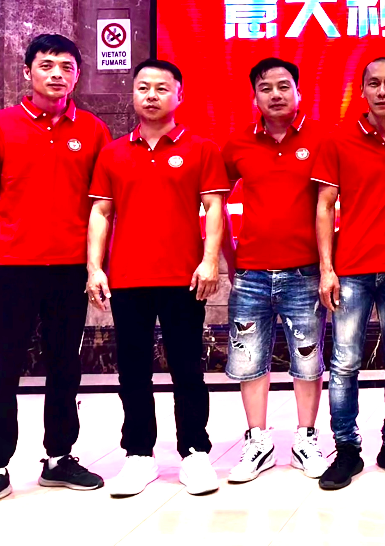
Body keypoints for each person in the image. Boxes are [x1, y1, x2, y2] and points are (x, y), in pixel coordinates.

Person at [0, 34, 110, 515]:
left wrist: (95, 266)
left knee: (65, 367)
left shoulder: (93, 130)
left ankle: (59, 458)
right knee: (3, 370)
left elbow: (101, 207)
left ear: (78, 74)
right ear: (27, 71)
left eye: (67, 66)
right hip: (12, 266)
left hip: (69, 269)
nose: (57, 74)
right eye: (47, 64)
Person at [87, 59, 230, 497]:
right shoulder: (113, 153)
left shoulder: (201, 148)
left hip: (183, 277)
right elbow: (101, 212)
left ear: (179, 95)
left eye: (162, 88)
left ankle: (195, 452)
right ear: (133, 94)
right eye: (143, 87)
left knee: (188, 368)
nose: (152, 95)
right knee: (132, 370)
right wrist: (95, 267)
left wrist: (210, 261)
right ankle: (138, 455)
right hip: (128, 278)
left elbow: (214, 207)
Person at [312, 58, 385, 490]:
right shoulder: (338, 139)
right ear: (361, 91)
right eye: (374, 84)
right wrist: (327, 268)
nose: (382, 91)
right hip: (352, 268)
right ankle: (346, 449)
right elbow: (325, 206)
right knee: (344, 362)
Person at [221, 58, 329, 484]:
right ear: (254, 97)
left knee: (308, 358)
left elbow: (330, 204)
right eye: (265, 88)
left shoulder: (321, 139)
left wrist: (328, 265)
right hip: (251, 273)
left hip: (305, 271)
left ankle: (306, 439)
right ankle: (258, 441)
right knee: (248, 358)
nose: (276, 95)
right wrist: (229, 258)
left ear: (299, 92)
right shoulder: (238, 144)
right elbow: (213, 202)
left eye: (284, 86)